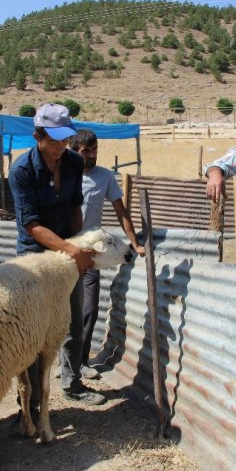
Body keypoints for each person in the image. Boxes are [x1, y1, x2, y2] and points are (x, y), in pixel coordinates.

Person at [8, 103, 105, 406]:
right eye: (53, 141)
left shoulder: (74, 162)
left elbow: (75, 205)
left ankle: (73, 383)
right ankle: (31, 400)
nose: (60, 147)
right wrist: (72, 249)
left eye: (65, 140)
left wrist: (77, 244)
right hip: (35, 255)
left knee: (72, 321)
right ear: (37, 136)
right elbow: (31, 224)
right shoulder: (21, 170)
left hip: (67, 248)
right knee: (34, 329)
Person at [67, 129, 146, 375]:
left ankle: (80, 361)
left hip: (92, 254)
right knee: (63, 309)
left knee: (88, 307)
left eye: (94, 150)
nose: (91, 155)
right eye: (85, 151)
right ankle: (64, 362)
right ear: (73, 151)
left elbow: (121, 212)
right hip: (65, 250)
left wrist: (134, 242)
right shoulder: (63, 175)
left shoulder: (105, 177)